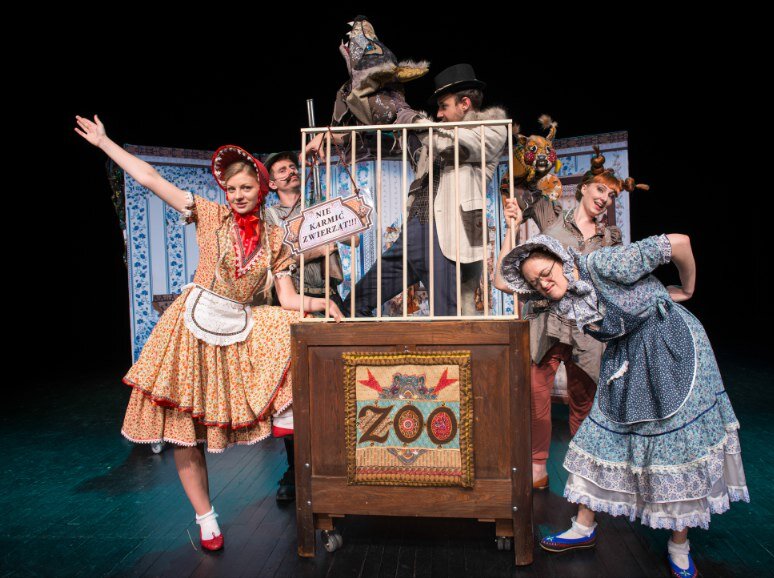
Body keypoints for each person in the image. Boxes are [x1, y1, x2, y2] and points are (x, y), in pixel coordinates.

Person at [75, 115, 342, 551]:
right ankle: (205, 517)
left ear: (262, 189)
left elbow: (288, 298)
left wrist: (322, 304)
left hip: (239, 321)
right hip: (192, 325)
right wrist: (105, 143)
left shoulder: (275, 239)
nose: (237, 195)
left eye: (246, 187)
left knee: (290, 328)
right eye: (231, 188)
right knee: (186, 428)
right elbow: (150, 178)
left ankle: (295, 445)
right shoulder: (210, 214)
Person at [495, 230, 748, 577]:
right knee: (602, 435)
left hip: (668, 347)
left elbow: (680, 243)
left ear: (561, 259)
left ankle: (679, 546)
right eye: (535, 282)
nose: (543, 284)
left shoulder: (605, 263)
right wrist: (511, 232)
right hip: (626, 355)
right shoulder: (561, 296)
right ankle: (583, 527)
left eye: (545, 273)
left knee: (674, 444)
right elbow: (501, 282)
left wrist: (687, 289)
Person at [308, 63, 508, 317]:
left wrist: (411, 118)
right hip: (414, 231)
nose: (439, 114)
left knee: (448, 320)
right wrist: (329, 137)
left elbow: (452, 146)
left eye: (444, 106)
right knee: (355, 305)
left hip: (452, 233)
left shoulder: (492, 129)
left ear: (465, 103)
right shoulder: (433, 134)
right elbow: (379, 139)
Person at [502, 148, 635, 491]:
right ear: (584, 188)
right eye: (601, 189)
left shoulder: (610, 238)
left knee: (583, 400)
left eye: (612, 195)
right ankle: (537, 465)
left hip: (586, 330)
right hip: (546, 324)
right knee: (535, 397)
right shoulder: (552, 216)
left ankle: (581, 469)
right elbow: (520, 190)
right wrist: (512, 208)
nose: (605, 199)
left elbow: (615, 281)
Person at [262, 150, 352, 503]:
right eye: (281, 170)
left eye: (292, 167)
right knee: (293, 392)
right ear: (272, 183)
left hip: (329, 295)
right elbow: (278, 256)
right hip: (293, 303)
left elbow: (353, 238)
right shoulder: (269, 217)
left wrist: (349, 222)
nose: (290, 172)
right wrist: (318, 247)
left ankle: (340, 461)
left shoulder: (319, 206)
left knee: (338, 381)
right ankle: (294, 469)